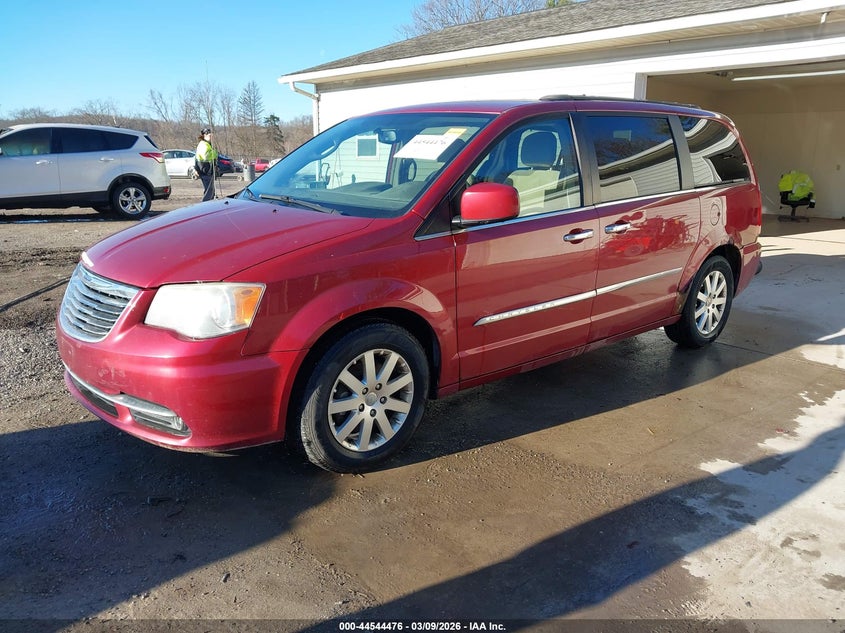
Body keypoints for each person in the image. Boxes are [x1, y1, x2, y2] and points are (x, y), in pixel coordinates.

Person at [195, 127, 219, 202]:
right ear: (204, 135)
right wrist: (215, 153)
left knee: (211, 190)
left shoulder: (207, 144)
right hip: (205, 170)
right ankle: (205, 204)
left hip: (206, 170)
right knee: (209, 190)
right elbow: (206, 156)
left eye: (212, 135)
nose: (211, 137)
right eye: (209, 135)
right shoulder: (203, 144)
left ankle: (210, 203)